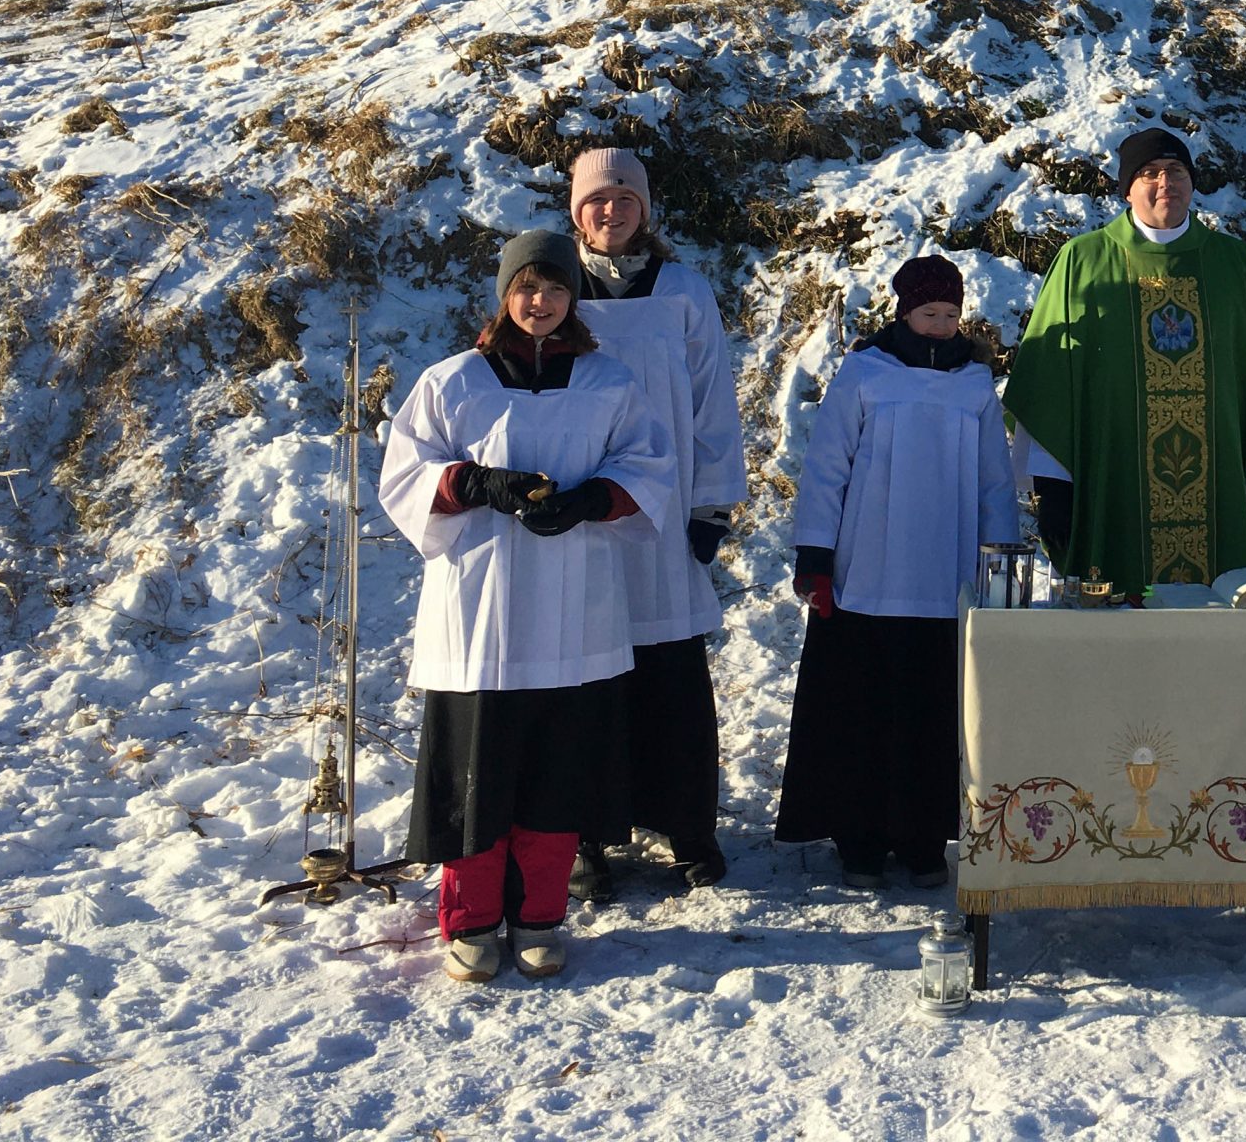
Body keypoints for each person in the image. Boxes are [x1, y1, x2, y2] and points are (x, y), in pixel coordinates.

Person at [376, 230, 673, 983]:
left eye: (554, 289)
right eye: (526, 288)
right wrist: (472, 485)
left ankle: (540, 914)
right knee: (479, 773)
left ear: (573, 297)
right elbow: (404, 471)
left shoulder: (608, 382)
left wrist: (590, 502)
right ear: (505, 295)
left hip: (576, 607)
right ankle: (471, 918)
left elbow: (648, 465)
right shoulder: (454, 382)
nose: (539, 303)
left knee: (555, 773)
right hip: (481, 610)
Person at [773, 255, 1015, 889]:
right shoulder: (865, 372)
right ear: (904, 312)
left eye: (951, 315)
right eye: (930, 314)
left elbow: (995, 481)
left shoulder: (974, 384)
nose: (941, 326)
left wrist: (999, 562)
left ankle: (924, 837)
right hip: (869, 575)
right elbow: (828, 468)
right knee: (865, 708)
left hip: (948, 572)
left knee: (933, 709)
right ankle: (859, 836)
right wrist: (816, 557)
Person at [1004, 127, 1246, 597]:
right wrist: (1054, 492)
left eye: (1176, 171)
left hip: (1220, 493)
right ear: (1127, 188)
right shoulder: (1081, 262)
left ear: (1192, 183)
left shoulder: (1235, 264)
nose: (1165, 181)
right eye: (1149, 173)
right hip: (1113, 485)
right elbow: (1051, 382)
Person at [561, 148, 747, 898]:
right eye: (597, 201)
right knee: (584, 676)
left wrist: (710, 504)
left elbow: (712, 401)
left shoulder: (682, 290)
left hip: (664, 518)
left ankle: (686, 825)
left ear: (645, 210)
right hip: (579, 516)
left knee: (671, 678)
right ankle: (585, 834)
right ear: (577, 211)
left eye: (625, 200)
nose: (612, 213)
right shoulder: (550, 289)